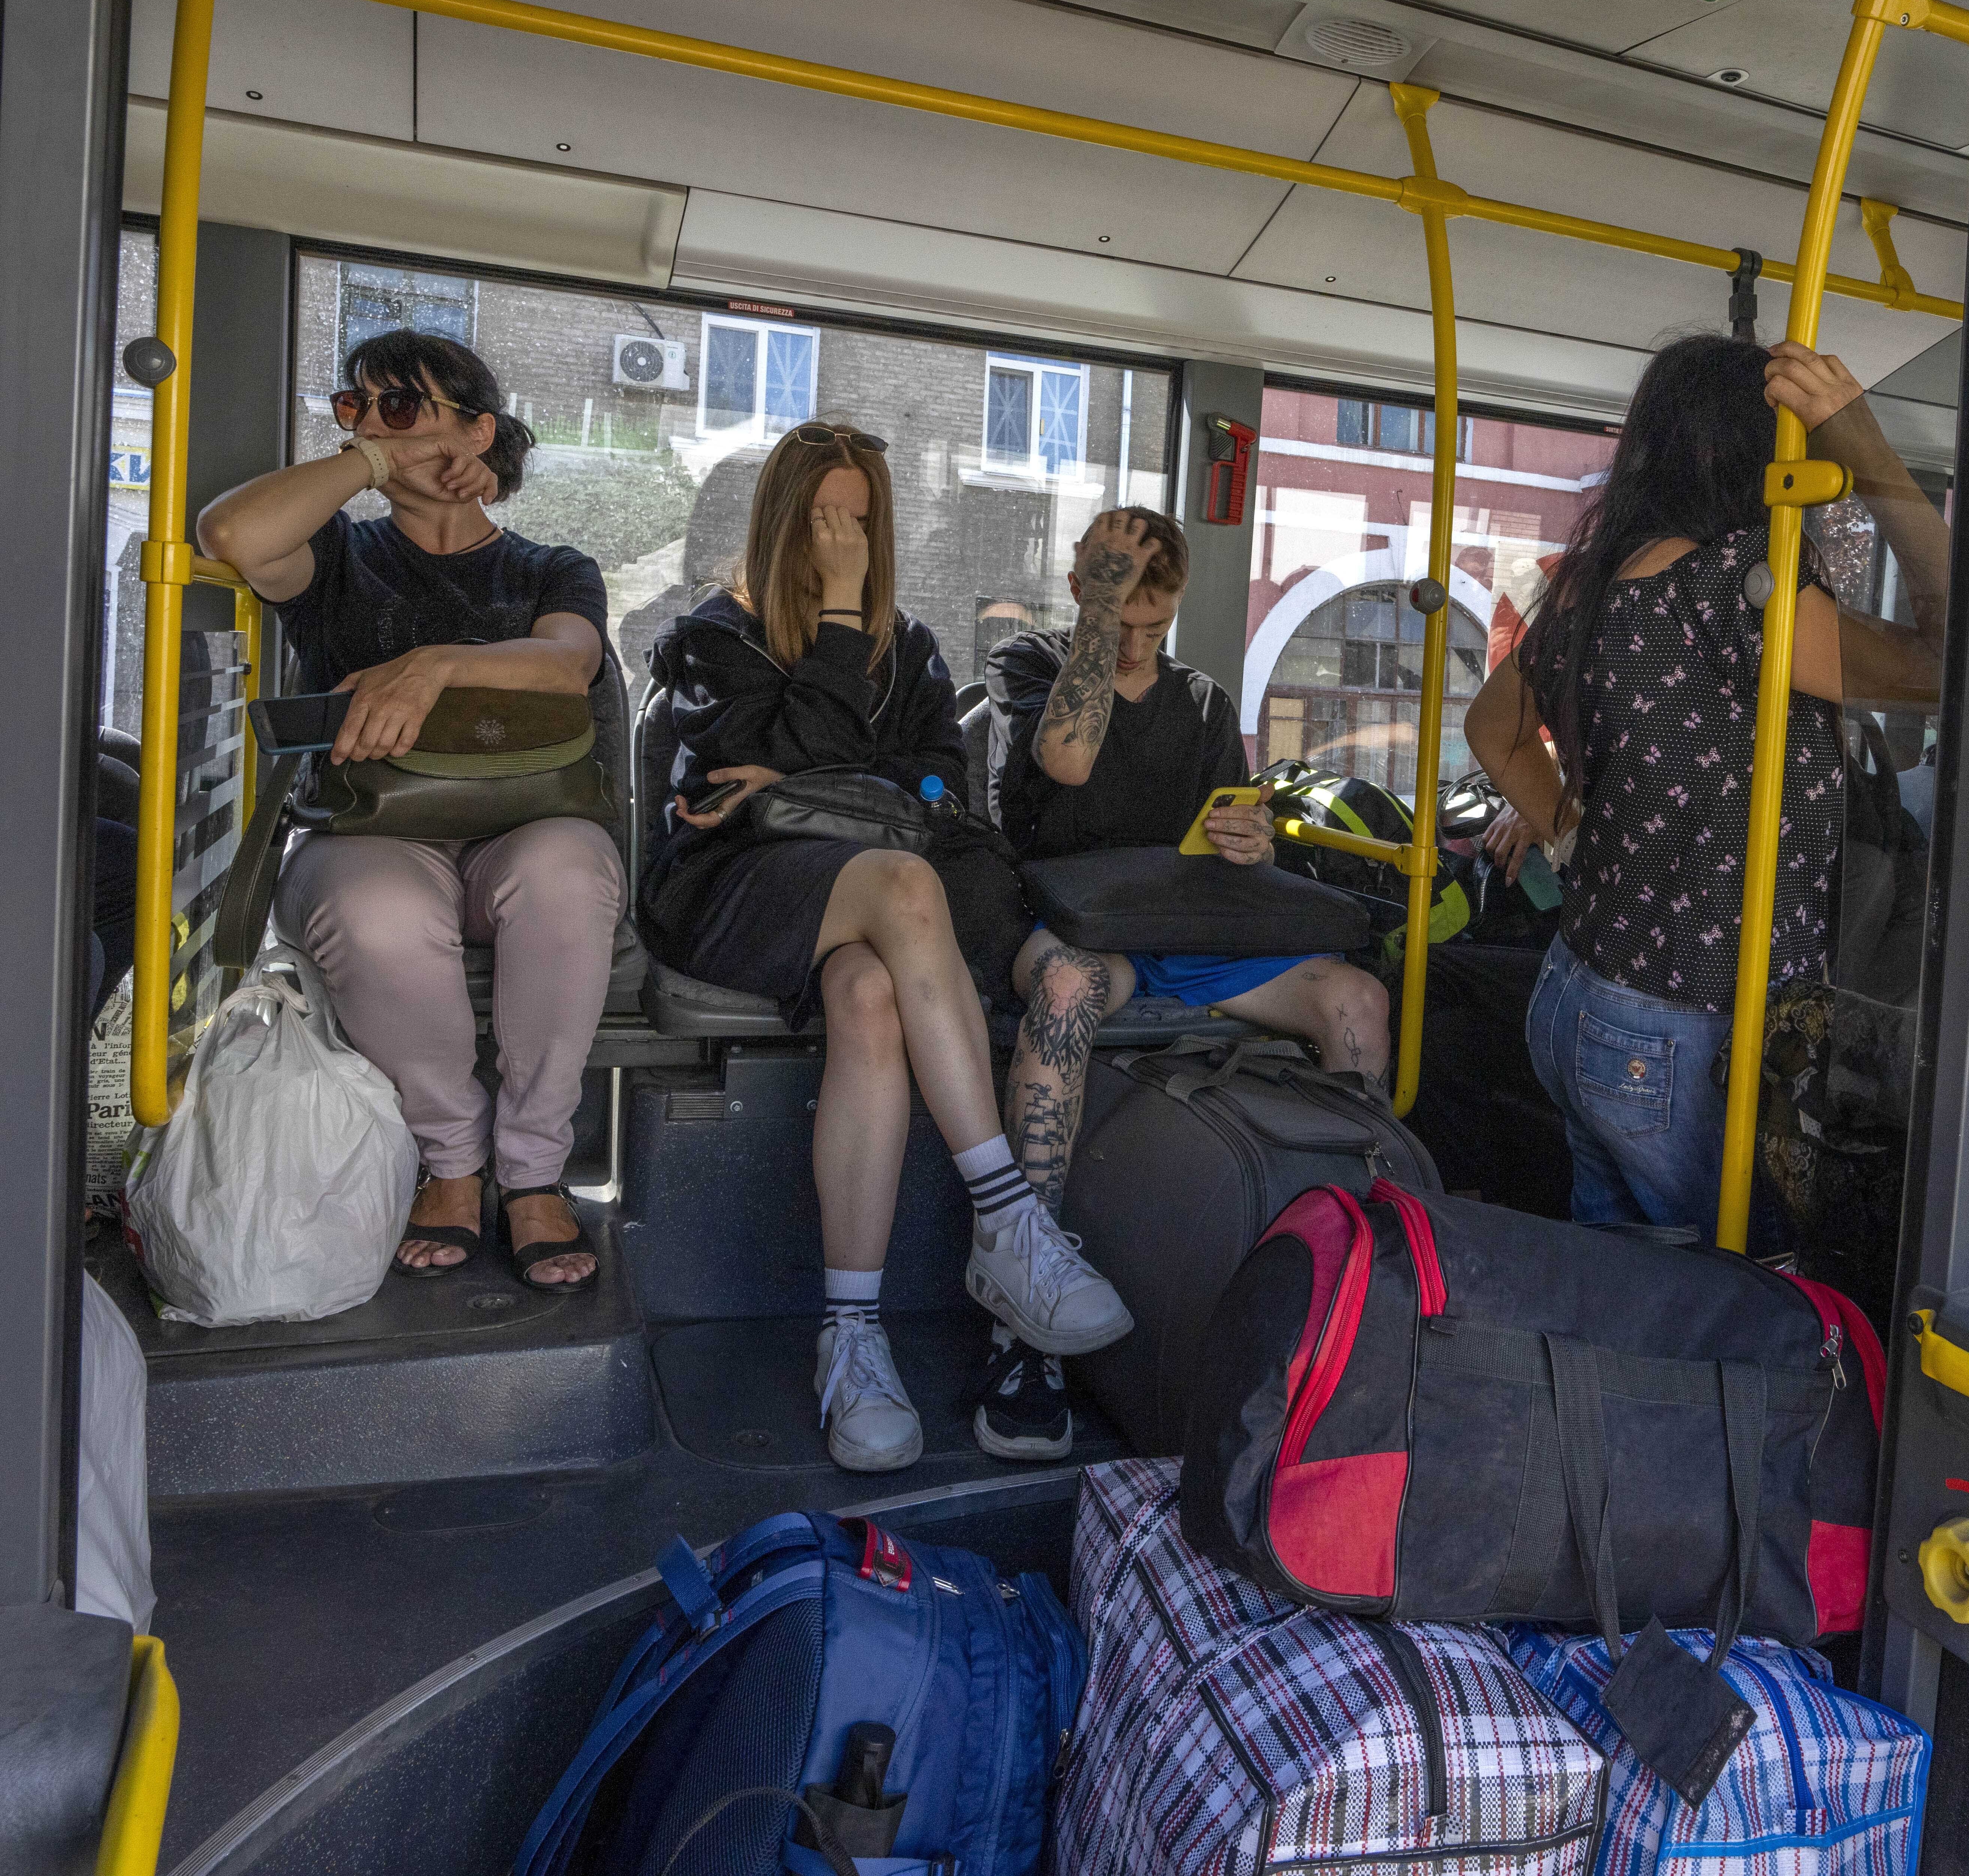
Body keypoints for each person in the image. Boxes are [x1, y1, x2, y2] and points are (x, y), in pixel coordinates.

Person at [638, 422, 1119, 1474]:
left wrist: (826, 778)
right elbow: (771, 761)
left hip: (859, 908)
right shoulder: (715, 637)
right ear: (783, 521)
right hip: (735, 895)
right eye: (824, 518)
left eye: (860, 519)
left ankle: (849, 1334)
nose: (844, 537)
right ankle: (1005, 1218)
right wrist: (845, 627)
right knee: (903, 883)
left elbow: (937, 778)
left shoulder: (913, 649)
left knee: (866, 996)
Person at [1462, 336, 1950, 1235]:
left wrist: (1575, 836)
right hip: (1684, 1028)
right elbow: (1955, 652)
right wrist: (1869, 453)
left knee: (1625, 1296)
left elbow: (1491, 729)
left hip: (1578, 991)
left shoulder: (1591, 585)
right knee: (1733, 1304)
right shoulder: (1736, 589)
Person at [196, 329, 621, 1292]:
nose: (371, 426)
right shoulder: (338, 558)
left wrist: (429, 665)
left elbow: (567, 662)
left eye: (400, 406)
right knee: (369, 909)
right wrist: (369, 461)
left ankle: (534, 1170)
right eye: (356, 407)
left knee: (566, 874)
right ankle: (453, 1161)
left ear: (478, 432)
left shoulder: (549, 567)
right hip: (375, 829)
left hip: (525, 824)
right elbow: (230, 537)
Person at [979, 506, 1392, 1457]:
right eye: (1116, 622)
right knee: (1066, 994)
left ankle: (1354, 1290)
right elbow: (1067, 760)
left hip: (1189, 928)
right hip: (1079, 928)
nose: (1132, 646)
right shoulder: (1031, 669)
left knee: (1357, 1004)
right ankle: (1021, 1299)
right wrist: (1100, 606)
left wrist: (1251, 840)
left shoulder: (1201, 702)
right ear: (1082, 594)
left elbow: (1230, 833)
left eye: (1150, 629)